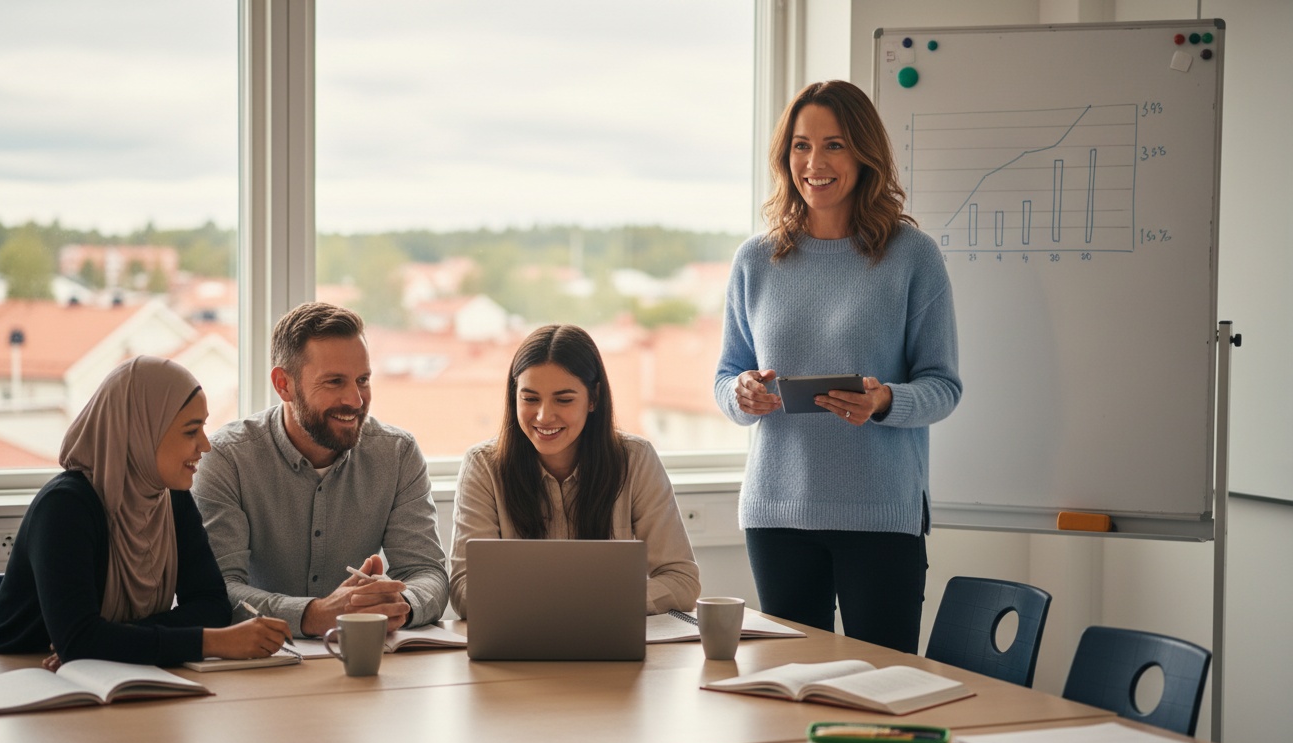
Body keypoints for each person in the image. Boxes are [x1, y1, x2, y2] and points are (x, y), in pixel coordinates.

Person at [714, 80, 961, 653]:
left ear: (864, 154)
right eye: (801, 146)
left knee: (883, 686)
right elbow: (727, 373)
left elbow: (943, 385)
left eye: (834, 145)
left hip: (880, 512)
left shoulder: (911, 256)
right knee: (790, 686)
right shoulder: (756, 259)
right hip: (778, 513)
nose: (814, 163)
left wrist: (884, 402)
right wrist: (741, 393)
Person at [0, 357, 292, 667]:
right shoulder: (65, 507)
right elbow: (80, 640)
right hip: (7, 681)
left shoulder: (170, 498)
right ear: (140, 431)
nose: (205, 445)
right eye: (191, 431)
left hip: (94, 680)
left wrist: (115, 639)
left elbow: (212, 605)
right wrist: (214, 643)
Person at [192, 302, 448, 638]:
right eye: (334, 382)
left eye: (363, 380)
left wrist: (394, 604)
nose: (355, 400)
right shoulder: (228, 459)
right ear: (284, 384)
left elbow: (427, 572)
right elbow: (218, 590)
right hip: (259, 664)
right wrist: (316, 615)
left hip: (365, 661)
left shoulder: (397, 454)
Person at [449, 324, 700, 618]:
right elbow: (464, 588)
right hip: (520, 647)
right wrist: (579, 602)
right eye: (529, 399)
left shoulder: (636, 459)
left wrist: (586, 604)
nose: (543, 416)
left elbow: (682, 580)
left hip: (607, 641)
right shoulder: (483, 466)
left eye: (564, 399)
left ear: (593, 398)